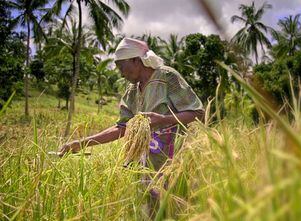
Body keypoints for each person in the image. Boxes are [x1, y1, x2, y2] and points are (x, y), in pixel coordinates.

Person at [58, 37, 204, 218]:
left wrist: (163, 119)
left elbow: (198, 112)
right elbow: (122, 128)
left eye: (121, 67)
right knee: (150, 208)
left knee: (176, 208)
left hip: (174, 162)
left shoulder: (167, 77)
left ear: (136, 60)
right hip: (145, 164)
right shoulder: (132, 91)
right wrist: (81, 143)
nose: (120, 73)